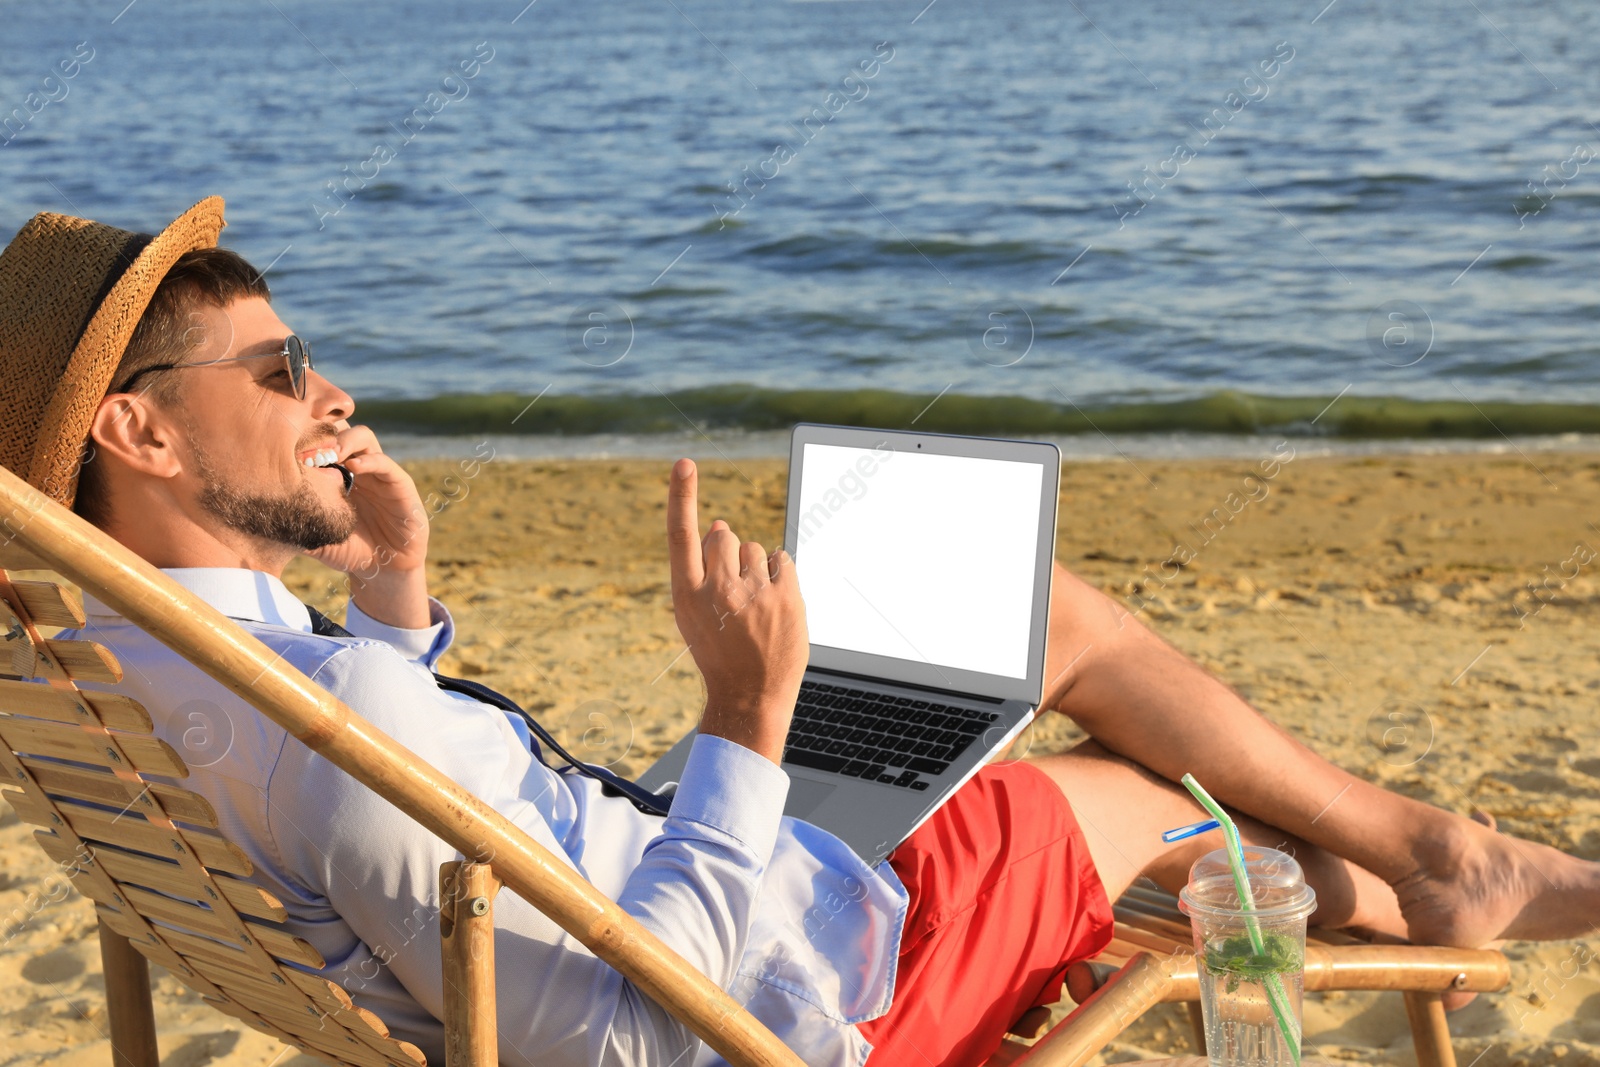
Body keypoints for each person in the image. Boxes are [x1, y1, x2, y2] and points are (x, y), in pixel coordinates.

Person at [2, 200, 1594, 1067]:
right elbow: (651, 1023)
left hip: (707, 878)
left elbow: (390, 809)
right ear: (140, 438)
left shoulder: (151, 667)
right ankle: (1398, 865)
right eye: (279, 373)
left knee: (1012, 611)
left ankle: (1375, 860)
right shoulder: (309, 734)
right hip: (826, 990)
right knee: (1155, 790)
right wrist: (744, 716)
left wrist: (391, 600)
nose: (330, 396)